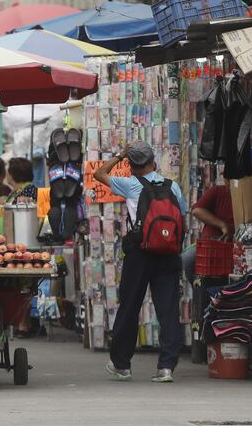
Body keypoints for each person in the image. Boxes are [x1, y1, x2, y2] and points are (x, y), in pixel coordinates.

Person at [93, 141, 187, 383]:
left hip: (140, 254)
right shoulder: (172, 186)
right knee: (168, 311)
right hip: (169, 254)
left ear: (132, 167)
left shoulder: (131, 184)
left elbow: (99, 174)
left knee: (130, 306)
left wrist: (119, 155)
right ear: (154, 163)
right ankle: (166, 367)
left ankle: (122, 365)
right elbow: (182, 214)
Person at [183, 178, 234, 283]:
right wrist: (222, 225)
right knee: (189, 257)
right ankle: (198, 292)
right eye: (228, 180)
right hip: (211, 246)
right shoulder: (218, 191)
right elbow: (197, 210)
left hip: (233, 247)